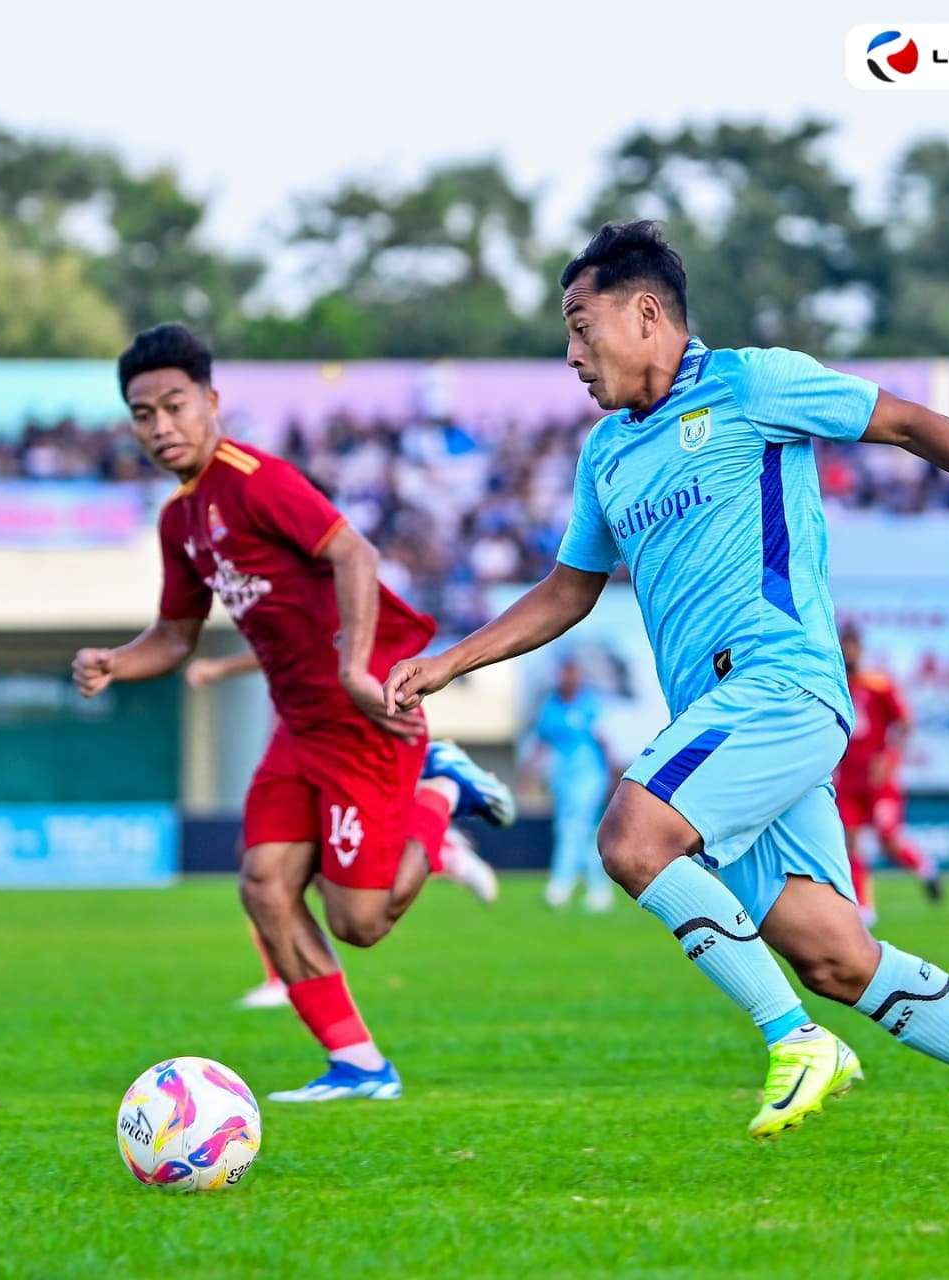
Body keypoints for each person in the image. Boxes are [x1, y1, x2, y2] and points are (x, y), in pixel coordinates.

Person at [384, 221, 949, 1180]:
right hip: (719, 721)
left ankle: (797, 1043)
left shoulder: (753, 383)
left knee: (632, 840)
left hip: (781, 684)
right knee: (836, 957)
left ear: (647, 314)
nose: (571, 354)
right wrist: (453, 659)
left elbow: (905, 423)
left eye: (580, 323)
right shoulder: (606, 455)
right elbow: (570, 590)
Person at [72, 322, 509, 1103]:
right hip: (298, 724)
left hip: (361, 711)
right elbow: (174, 635)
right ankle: (361, 1067)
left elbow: (356, 555)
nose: (161, 426)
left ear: (210, 401)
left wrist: (352, 665)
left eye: (175, 405)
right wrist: (114, 661)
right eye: (144, 414)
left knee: (361, 922)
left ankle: (440, 792)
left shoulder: (257, 479)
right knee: (264, 883)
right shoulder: (180, 520)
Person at [184, 650, 507, 1009]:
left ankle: (441, 803)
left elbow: (313, 645)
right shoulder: (281, 622)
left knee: (360, 918)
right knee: (277, 866)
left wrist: (220, 665)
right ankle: (444, 845)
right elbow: (274, 645)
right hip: (297, 744)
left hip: (336, 747)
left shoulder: (329, 611)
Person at [834, 620, 941, 925]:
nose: (848, 651)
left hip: (878, 778)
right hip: (848, 778)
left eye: (853, 645)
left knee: (887, 837)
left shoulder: (878, 684)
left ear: (860, 648)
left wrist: (890, 758)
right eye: (845, 645)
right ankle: (864, 907)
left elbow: (904, 723)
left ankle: (925, 868)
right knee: (852, 840)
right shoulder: (835, 682)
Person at [520, 656, 615, 911]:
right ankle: (600, 889)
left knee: (572, 827)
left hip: (590, 775)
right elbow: (542, 742)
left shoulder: (589, 704)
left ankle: (560, 885)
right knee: (581, 832)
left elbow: (603, 742)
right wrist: (528, 773)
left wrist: (613, 776)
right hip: (562, 777)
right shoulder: (551, 706)